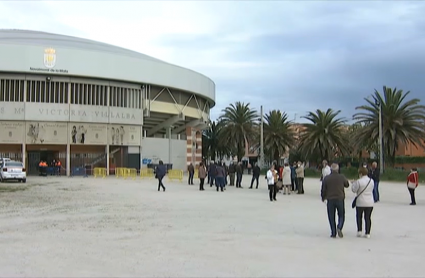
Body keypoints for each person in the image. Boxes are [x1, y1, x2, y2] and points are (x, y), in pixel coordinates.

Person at [321, 163, 349, 238]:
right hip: (340, 198)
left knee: (331, 216)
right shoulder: (341, 177)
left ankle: (333, 232)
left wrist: (323, 197)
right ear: (338, 169)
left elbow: (323, 189)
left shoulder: (326, 178)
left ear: (330, 169)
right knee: (341, 215)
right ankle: (339, 227)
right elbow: (347, 185)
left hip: (330, 199)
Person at [351, 167, 374, 238]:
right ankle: (367, 233)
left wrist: (353, 183)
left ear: (360, 173)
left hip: (360, 201)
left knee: (359, 216)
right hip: (369, 201)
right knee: (368, 218)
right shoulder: (371, 181)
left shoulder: (359, 181)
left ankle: (359, 231)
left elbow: (354, 190)